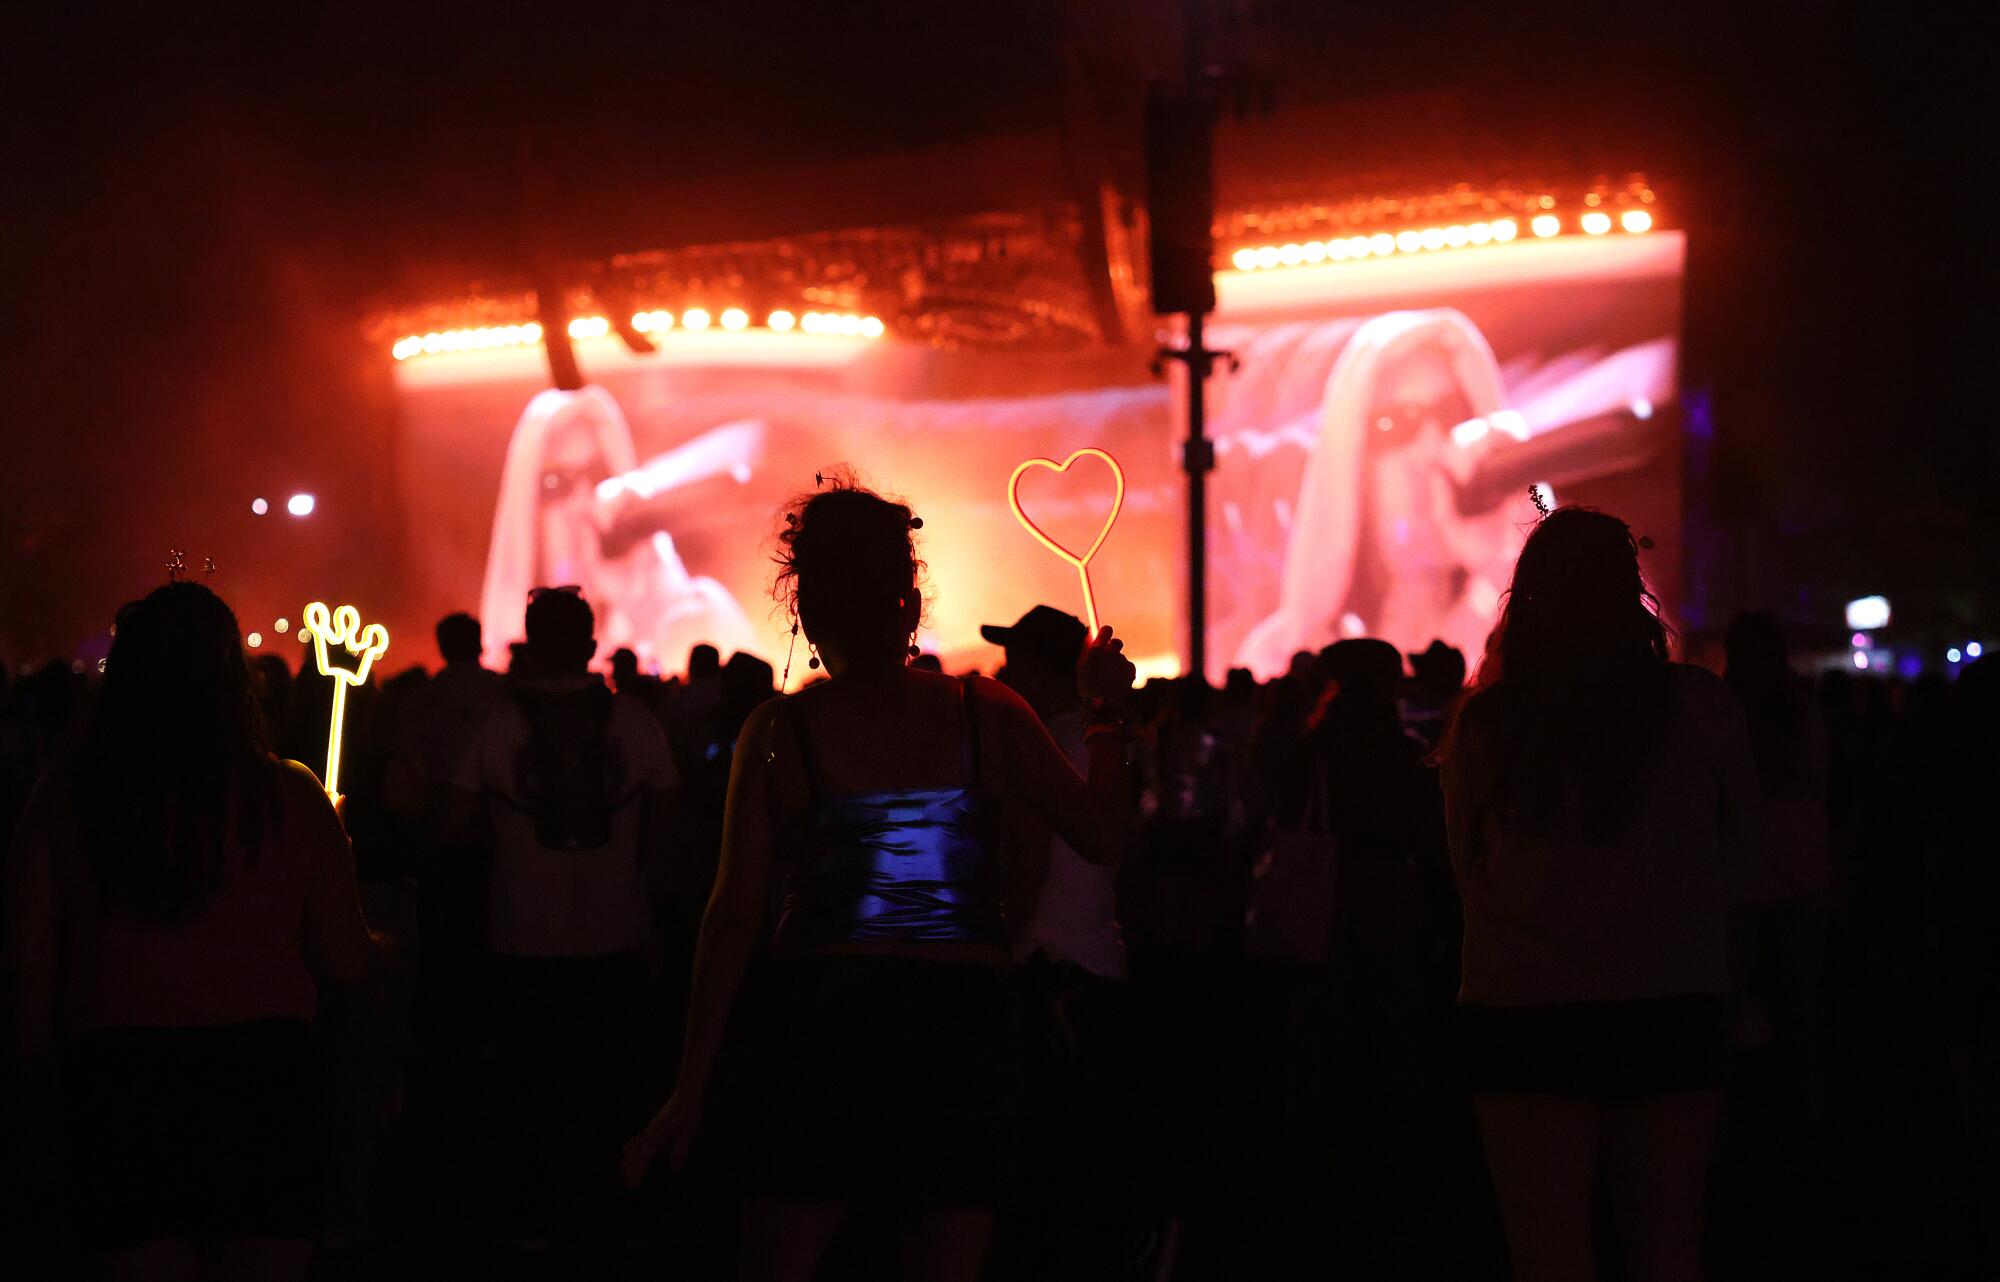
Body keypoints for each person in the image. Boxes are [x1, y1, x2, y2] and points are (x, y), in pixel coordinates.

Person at [619, 478, 1137, 1282]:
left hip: (823, 1023)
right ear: (911, 600)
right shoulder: (988, 712)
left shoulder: (777, 733)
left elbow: (732, 919)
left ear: (806, 612)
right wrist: (1104, 716)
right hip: (962, 1026)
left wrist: (691, 1086)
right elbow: (1102, 835)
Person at [6, 581, 372, 1280]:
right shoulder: (291, 796)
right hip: (261, 1078)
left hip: (120, 1075)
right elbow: (347, 963)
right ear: (233, 677)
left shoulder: (66, 795)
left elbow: (28, 969)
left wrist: (36, 1100)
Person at [1441, 508, 1760, 1282]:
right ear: (1631, 592)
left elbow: (1466, 873)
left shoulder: (1486, 725)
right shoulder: (1699, 706)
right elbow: (1743, 854)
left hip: (1524, 1004)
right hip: (1670, 995)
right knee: (1667, 1242)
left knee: (1547, 1252)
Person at [449, 586, 680, 1235]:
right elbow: (667, 829)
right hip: (619, 934)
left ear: (528, 640)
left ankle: (530, 1220)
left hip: (520, 937)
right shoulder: (636, 721)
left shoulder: (493, 722)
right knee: (616, 1087)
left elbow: (457, 826)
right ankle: (618, 1220)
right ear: (589, 644)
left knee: (528, 1087)